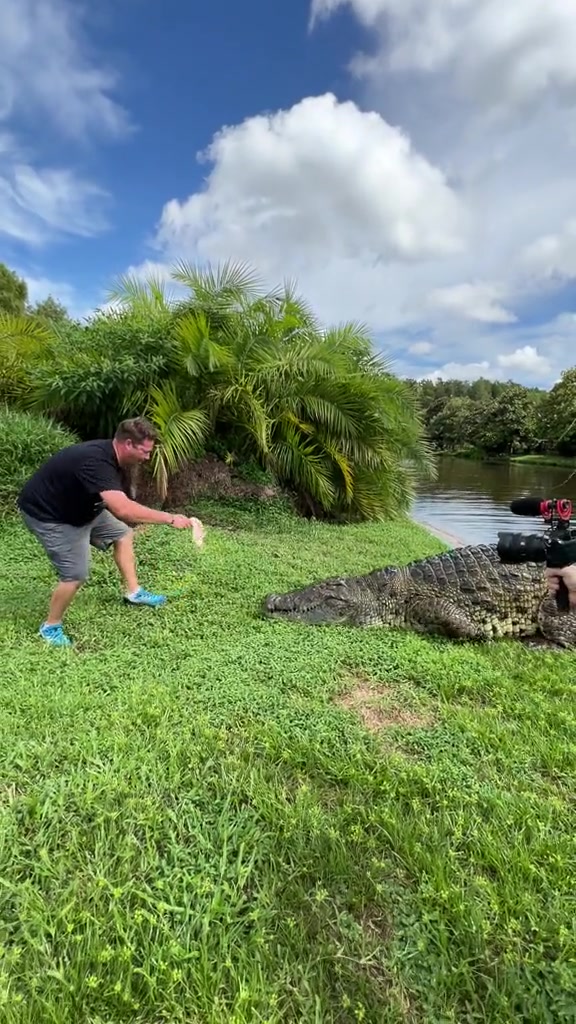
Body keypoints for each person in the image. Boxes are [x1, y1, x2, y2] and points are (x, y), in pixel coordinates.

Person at [17, 416, 205, 647]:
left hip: (83, 508)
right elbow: (123, 509)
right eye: (145, 452)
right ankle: (51, 627)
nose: (147, 457)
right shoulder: (96, 461)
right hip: (51, 516)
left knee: (122, 534)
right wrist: (170, 518)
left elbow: (118, 501)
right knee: (75, 574)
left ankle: (134, 592)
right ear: (128, 444)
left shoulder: (118, 459)